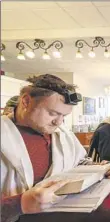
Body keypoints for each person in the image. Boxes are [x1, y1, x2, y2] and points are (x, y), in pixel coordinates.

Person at [1, 74, 91, 222]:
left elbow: (80, 163)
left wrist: (101, 168)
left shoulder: (64, 136)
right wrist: (20, 204)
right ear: (26, 101)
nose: (59, 122)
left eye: (64, 116)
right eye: (53, 113)